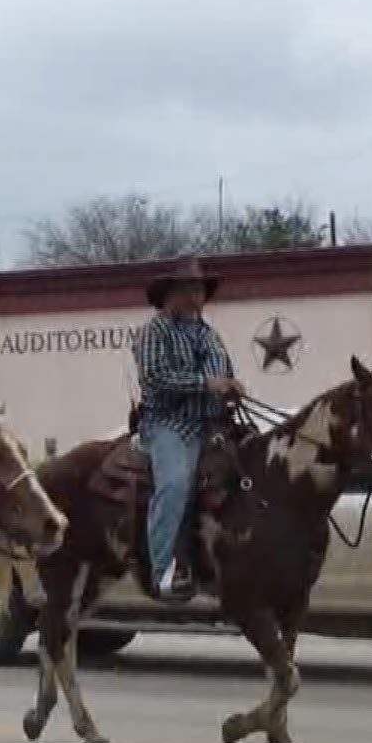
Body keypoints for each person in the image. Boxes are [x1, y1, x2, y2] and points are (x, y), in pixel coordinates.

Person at [134, 257, 240, 603]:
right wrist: (207, 384)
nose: (196, 295)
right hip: (169, 425)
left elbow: (224, 372)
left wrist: (232, 386)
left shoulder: (210, 334)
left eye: (199, 288)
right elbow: (154, 378)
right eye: (188, 289)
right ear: (170, 294)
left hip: (213, 423)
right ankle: (162, 569)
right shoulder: (154, 331)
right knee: (176, 482)